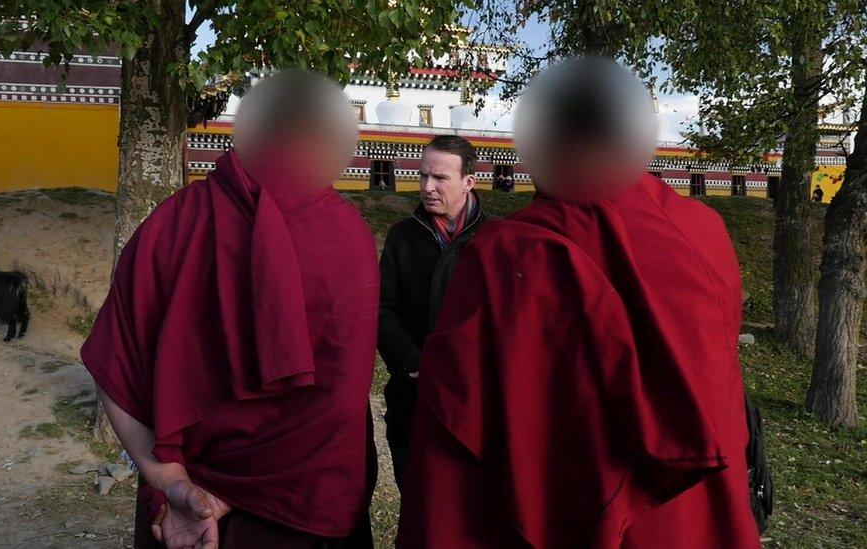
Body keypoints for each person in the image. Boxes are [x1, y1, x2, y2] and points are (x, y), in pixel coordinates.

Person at [398, 57, 760, 548]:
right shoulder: (706, 232)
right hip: (694, 515)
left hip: (573, 510)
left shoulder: (505, 257)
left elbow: (456, 439)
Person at [80, 70, 379, 549]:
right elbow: (340, 406)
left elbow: (113, 365)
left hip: (185, 513)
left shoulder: (171, 222)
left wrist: (171, 480)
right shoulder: (346, 237)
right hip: (297, 515)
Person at [377, 134, 488, 489]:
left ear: (468, 182)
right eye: (423, 175)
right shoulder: (402, 236)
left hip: (475, 396)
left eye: (440, 178)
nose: (427, 187)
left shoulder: (494, 239)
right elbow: (382, 309)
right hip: (413, 392)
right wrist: (415, 364)